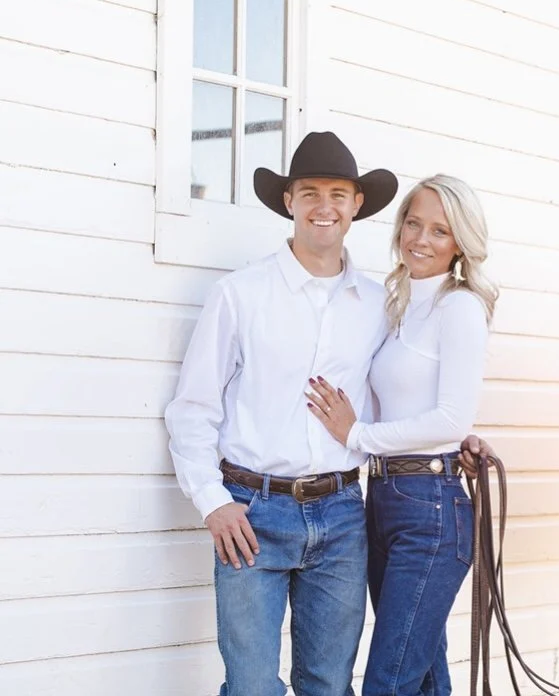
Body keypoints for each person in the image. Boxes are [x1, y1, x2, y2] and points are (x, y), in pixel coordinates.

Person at [165, 131, 397, 696]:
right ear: (289, 202)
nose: (325, 207)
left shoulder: (378, 305)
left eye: (338, 194)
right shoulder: (239, 295)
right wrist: (213, 502)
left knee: (328, 684)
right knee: (250, 686)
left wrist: (457, 438)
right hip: (252, 513)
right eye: (310, 192)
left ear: (356, 205)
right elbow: (193, 407)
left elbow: (402, 395)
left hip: (342, 514)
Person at [306, 174, 498, 696]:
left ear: (460, 242)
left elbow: (451, 420)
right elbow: (416, 404)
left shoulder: (459, 307)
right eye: (413, 223)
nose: (421, 238)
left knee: (388, 683)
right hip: (384, 501)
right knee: (424, 676)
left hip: (430, 510)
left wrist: (357, 435)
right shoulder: (395, 304)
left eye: (439, 230)